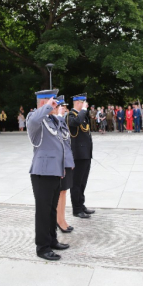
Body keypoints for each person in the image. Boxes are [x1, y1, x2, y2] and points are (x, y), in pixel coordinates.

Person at [26, 89, 69, 261]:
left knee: (51, 210)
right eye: (53, 101)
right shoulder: (34, 118)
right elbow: (35, 119)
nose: (56, 105)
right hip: (42, 173)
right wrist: (46, 107)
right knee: (43, 212)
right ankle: (42, 248)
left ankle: (52, 240)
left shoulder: (51, 120)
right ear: (44, 102)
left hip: (55, 172)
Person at [66, 93, 94, 218]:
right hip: (77, 155)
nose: (85, 105)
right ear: (78, 103)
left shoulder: (82, 115)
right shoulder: (70, 115)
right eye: (83, 103)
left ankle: (81, 204)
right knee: (76, 183)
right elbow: (76, 123)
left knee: (83, 182)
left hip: (86, 154)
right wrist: (83, 110)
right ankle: (76, 209)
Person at [55, 95, 75, 233]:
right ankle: (59, 220)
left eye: (64, 106)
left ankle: (62, 219)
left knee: (63, 192)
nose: (63, 109)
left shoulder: (61, 121)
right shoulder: (54, 122)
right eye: (60, 106)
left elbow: (67, 144)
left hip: (66, 162)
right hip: (59, 164)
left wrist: (70, 161)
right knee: (59, 193)